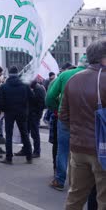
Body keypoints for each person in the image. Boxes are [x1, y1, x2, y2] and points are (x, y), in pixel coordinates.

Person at [61, 40, 106, 209]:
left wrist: (77, 132)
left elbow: (63, 115)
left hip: (78, 148)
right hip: (102, 150)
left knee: (75, 196)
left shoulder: (73, 79)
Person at [46, 55, 89, 191]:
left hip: (66, 117)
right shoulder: (98, 76)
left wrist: (57, 109)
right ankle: (83, 181)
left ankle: (59, 180)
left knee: (63, 149)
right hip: (88, 119)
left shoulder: (65, 75)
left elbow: (50, 97)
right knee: (86, 150)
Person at [0, 66, 34, 164]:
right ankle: (29, 156)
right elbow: (31, 98)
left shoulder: (4, 86)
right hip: (22, 112)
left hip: (9, 112)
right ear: (17, 74)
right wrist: (26, 107)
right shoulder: (25, 86)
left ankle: (9, 158)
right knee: (24, 133)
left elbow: (0, 101)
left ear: (9, 74)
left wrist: (2, 109)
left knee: (9, 135)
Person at [15, 79, 46, 158]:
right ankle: (25, 149)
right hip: (28, 114)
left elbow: (42, 104)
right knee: (25, 133)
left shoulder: (38, 89)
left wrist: (37, 114)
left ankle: (36, 151)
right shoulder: (30, 87)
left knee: (34, 134)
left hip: (34, 115)